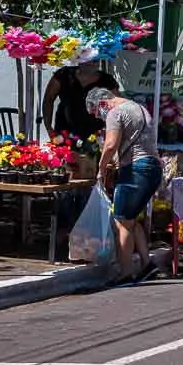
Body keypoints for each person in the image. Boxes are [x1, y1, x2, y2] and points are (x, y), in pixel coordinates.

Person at [87, 87, 162, 284]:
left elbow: (110, 145)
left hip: (135, 170)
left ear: (102, 103)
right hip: (153, 168)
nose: (99, 117)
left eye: (96, 113)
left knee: (121, 221)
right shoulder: (139, 108)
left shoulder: (115, 112)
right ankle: (147, 264)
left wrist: (101, 168)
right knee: (131, 219)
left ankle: (126, 273)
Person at [44, 64, 119, 140]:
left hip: (95, 136)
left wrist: (109, 132)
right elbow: (48, 99)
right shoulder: (64, 74)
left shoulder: (107, 80)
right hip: (64, 134)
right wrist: (49, 128)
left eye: (95, 60)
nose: (93, 63)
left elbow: (116, 108)